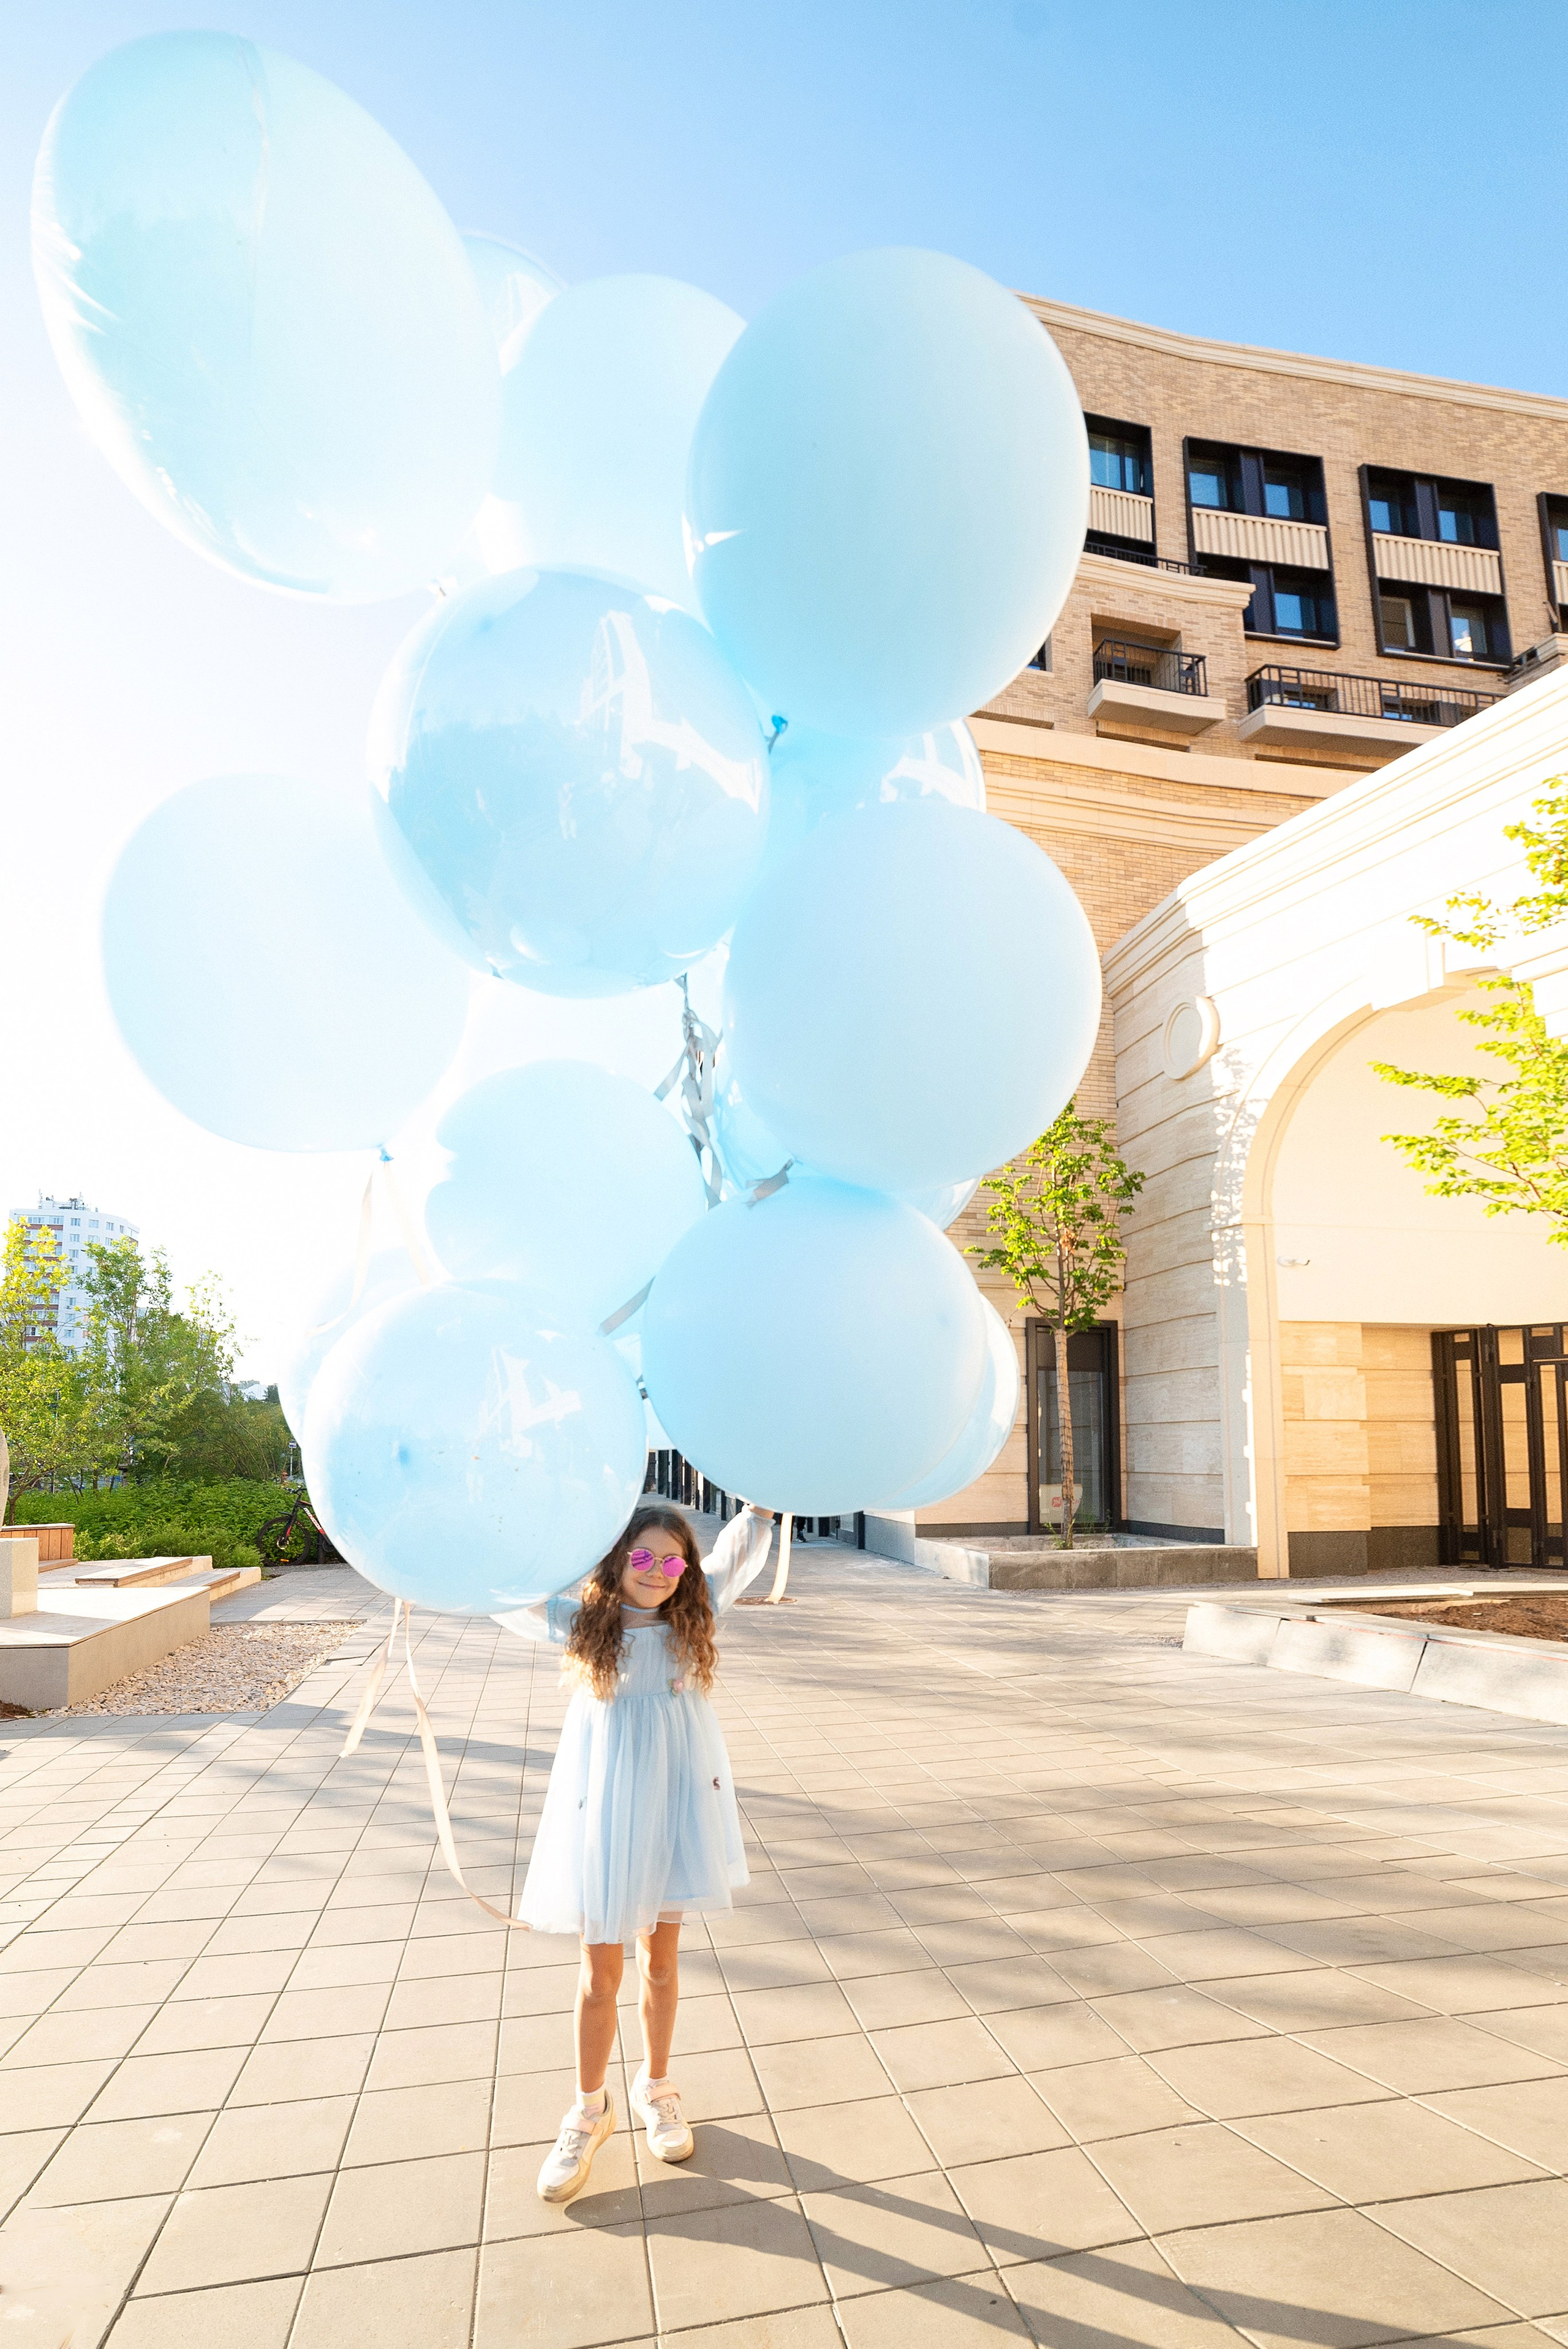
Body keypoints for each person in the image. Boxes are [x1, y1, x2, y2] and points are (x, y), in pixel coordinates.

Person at [497, 1500, 775, 2204]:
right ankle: (590, 2109)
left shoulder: (696, 1613)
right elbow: (508, 1592)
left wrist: (763, 1499)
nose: (657, 1573)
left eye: (672, 1560)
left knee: (661, 1959)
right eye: (642, 1557)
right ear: (616, 1559)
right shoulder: (583, 1624)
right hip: (606, 1815)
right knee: (599, 1972)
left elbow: (741, 1551)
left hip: (677, 1808)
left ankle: (656, 2086)